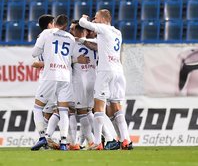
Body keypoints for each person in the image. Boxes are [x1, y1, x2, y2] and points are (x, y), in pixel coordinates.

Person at [79, 9, 131, 150]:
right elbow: (98, 45)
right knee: (116, 106)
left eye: (96, 18)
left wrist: (84, 18)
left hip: (105, 70)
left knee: (99, 105)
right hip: (118, 71)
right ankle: (126, 139)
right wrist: (82, 40)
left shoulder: (103, 28)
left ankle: (97, 142)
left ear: (102, 19)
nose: (94, 21)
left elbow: (82, 23)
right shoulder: (117, 32)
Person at [31, 14, 76, 151]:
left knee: (38, 107)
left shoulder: (46, 33)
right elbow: (70, 57)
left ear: (54, 22)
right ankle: (63, 142)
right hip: (65, 76)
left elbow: (34, 53)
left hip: (50, 74)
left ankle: (42, 137)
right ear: (66, 25)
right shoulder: (71, 38)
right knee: (63, 110)